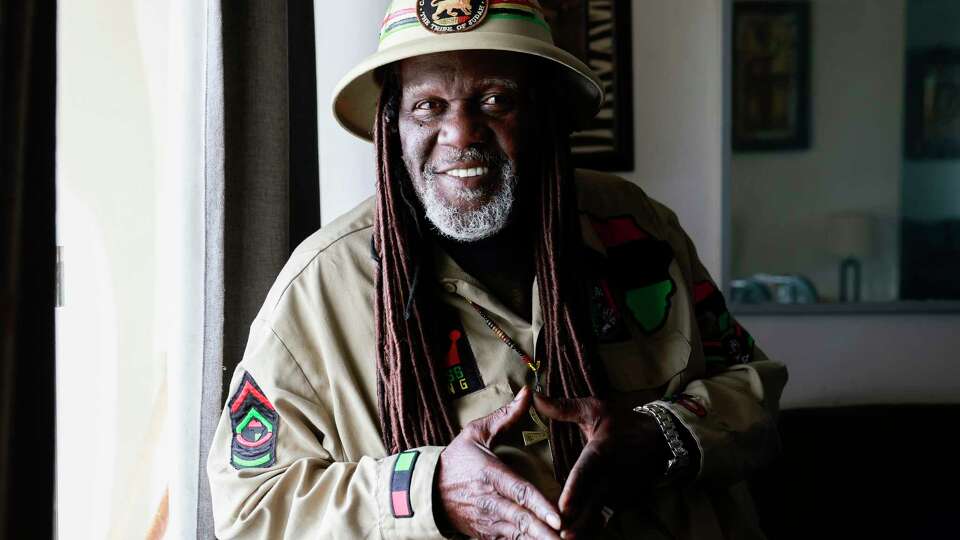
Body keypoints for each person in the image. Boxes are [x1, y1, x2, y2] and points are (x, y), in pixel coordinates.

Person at [207, 1, 788, 538]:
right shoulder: (321, 287)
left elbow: (753, 385)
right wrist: (429, 493)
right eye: (428, 105)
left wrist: (659, 436)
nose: (460, 134)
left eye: (494, 100)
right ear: (393, 126)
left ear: (542, 112)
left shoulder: (636, 229)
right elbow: (250, 505)